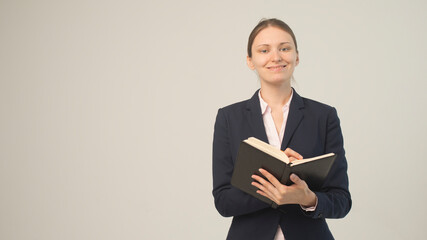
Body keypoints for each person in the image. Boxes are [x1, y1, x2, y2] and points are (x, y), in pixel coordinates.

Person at [212, 18, 352, 240]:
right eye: (264, 50)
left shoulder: (324, 116)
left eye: (284, 48)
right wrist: (273, 187)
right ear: (250, 60)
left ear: (297, 56)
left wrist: (307, 198)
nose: (275, 57)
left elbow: (342, 200)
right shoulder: (229, 118)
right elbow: (223, 201)